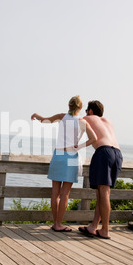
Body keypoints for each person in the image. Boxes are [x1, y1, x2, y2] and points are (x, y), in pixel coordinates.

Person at [31, 96, 97, 232]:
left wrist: (36, 115)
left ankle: (56, 223)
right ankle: (58, 224)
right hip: (71, 155)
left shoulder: (62, 117)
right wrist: (79, 146)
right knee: (65, 193)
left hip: (58, 154)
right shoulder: (82, 122)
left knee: (55, 192)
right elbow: (93, 138)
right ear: (79, 108)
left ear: (69, 106)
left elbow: (44, 120)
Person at [78, 100, 123, 239]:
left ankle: (105, 230)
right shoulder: (108, 121)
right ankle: (93, 226)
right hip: (117, 154)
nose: (85, 113)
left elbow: (75, 132)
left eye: (86, 110)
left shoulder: (87, 118)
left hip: (104, 152)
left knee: (104, 192)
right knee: (101, 192)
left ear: (90, 111)